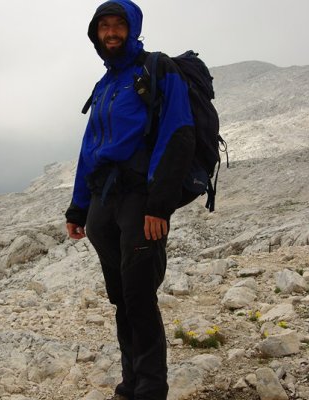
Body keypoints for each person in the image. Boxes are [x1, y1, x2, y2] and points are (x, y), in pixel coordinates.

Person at [65, 1, 195, 399]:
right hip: (104, 204)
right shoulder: (104, 85)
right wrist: (78, 207)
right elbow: (89, 148)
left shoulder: (157, 69)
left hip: (141, 199)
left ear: (132, 28)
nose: (110, 32)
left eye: (118, 24)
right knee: (121, 297)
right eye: (103, 26)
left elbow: (178, 133)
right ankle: (130, 384)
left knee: (139, 296)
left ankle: (151, 388)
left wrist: (159, 204)